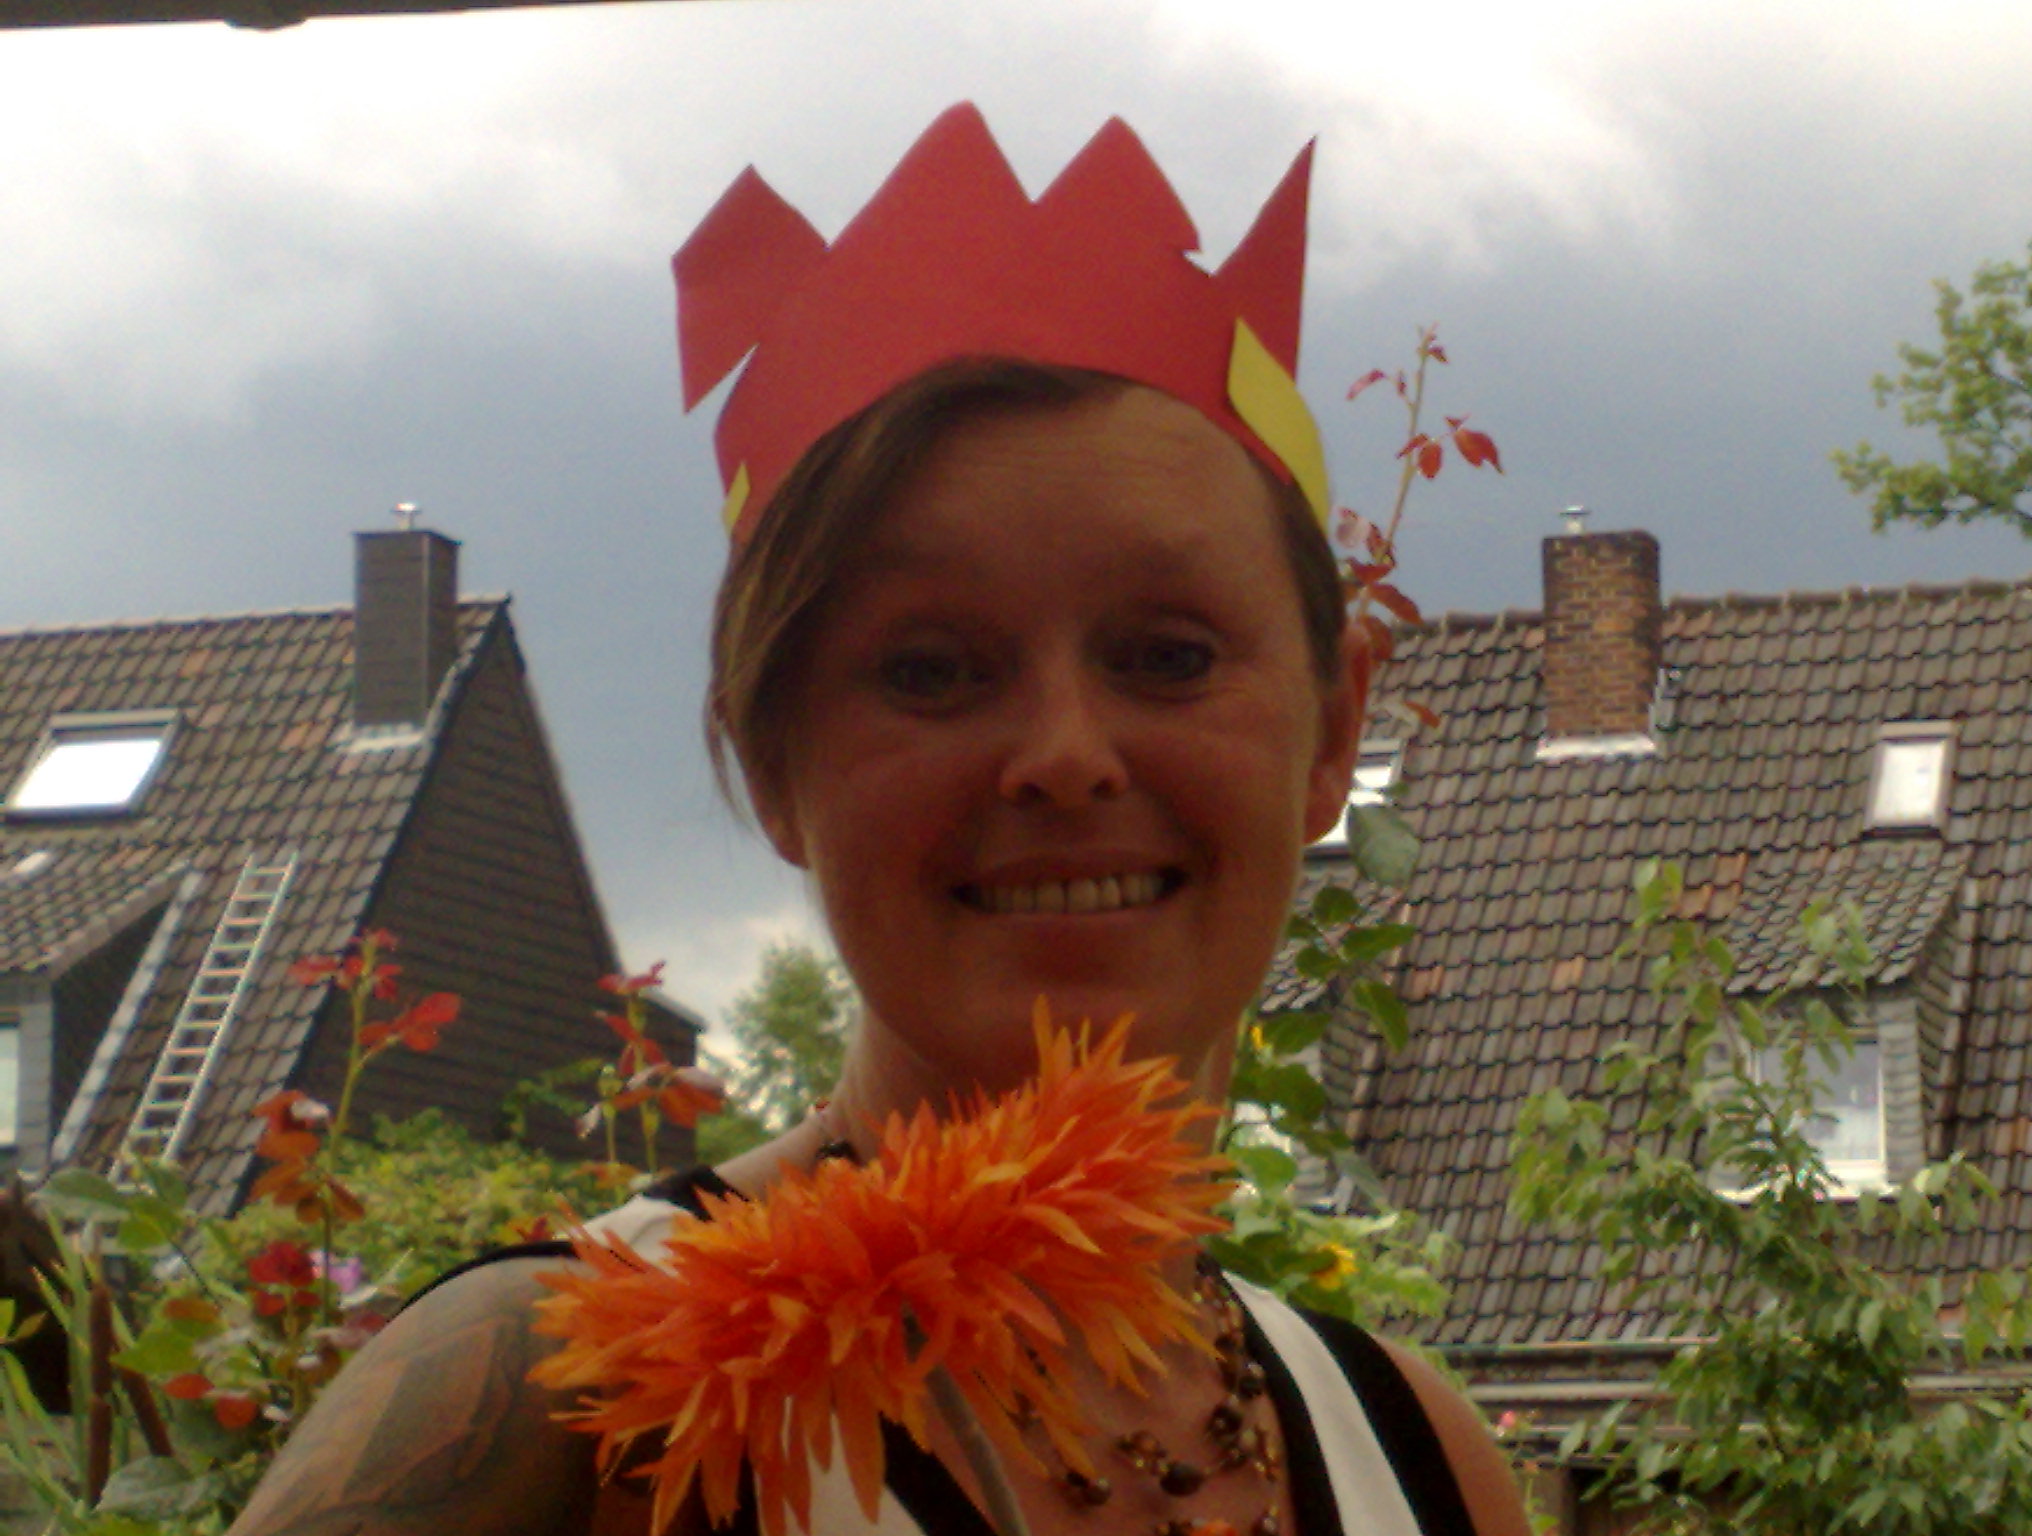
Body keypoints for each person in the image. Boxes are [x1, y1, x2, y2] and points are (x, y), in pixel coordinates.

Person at [226, 105, 1531, 1536]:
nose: (1064, 756)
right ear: (773, 762)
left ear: (1333, 730)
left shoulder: (1421, 1457)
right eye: (930, 670)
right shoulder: (559, 1399)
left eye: (1168, 654)